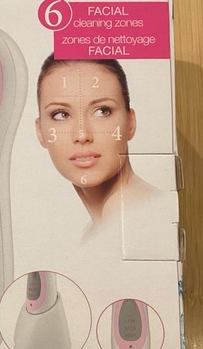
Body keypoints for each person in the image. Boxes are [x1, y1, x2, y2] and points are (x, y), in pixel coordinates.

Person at [34, 54, 158, 238]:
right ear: (40, 131)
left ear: (130, 122)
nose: (82, 135)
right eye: (61, 115)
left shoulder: (127, 213)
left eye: (102, 111)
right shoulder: (97, 230)